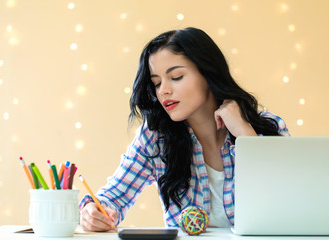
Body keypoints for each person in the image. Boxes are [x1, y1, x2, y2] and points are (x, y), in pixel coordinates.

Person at [79, 27, 290, 231]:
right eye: (156, 83)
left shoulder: (269, 127)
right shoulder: (155, 137)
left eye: (176, 77)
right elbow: (112, 198)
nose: (164, 91)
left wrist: (245, 134)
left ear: (208, 74)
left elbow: (288, 201)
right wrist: (92, 212)